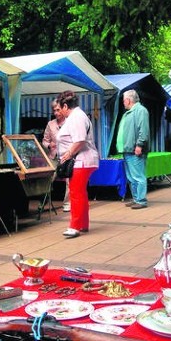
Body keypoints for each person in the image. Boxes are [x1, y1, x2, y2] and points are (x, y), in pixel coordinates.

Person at [56, 90, 99, 238]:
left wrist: (67, 155)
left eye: (60, 108)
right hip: (83, 160)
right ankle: (83, 224)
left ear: (66, 106)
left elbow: (79, 140)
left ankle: (74, 226)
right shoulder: (78, 116)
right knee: (80, 193)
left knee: (75, 193)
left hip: (81, 160)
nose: (60, 112)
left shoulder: (76, 117)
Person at [116, 89, 150, 209]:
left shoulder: (140, 111)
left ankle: (141, 200)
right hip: (128, 150)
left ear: (128, 100)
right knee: (131, 177)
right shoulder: (129, 112)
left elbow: (143, 130)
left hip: (135, 150)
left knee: (138, 176)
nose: (123, 102)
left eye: (123, 100)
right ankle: (136, 198)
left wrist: (139, 145)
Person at [42, 99, 70, 212]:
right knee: (48, 179)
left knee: (69, 181)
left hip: (67, 156)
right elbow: (44, 141)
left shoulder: (70, 122)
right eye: (54, 110)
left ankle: (68, 203)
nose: (56, 113)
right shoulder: (50, 124)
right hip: (53, 156)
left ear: (64, 109)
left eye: (58, 110)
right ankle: (42, 202)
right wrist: (49, 145)